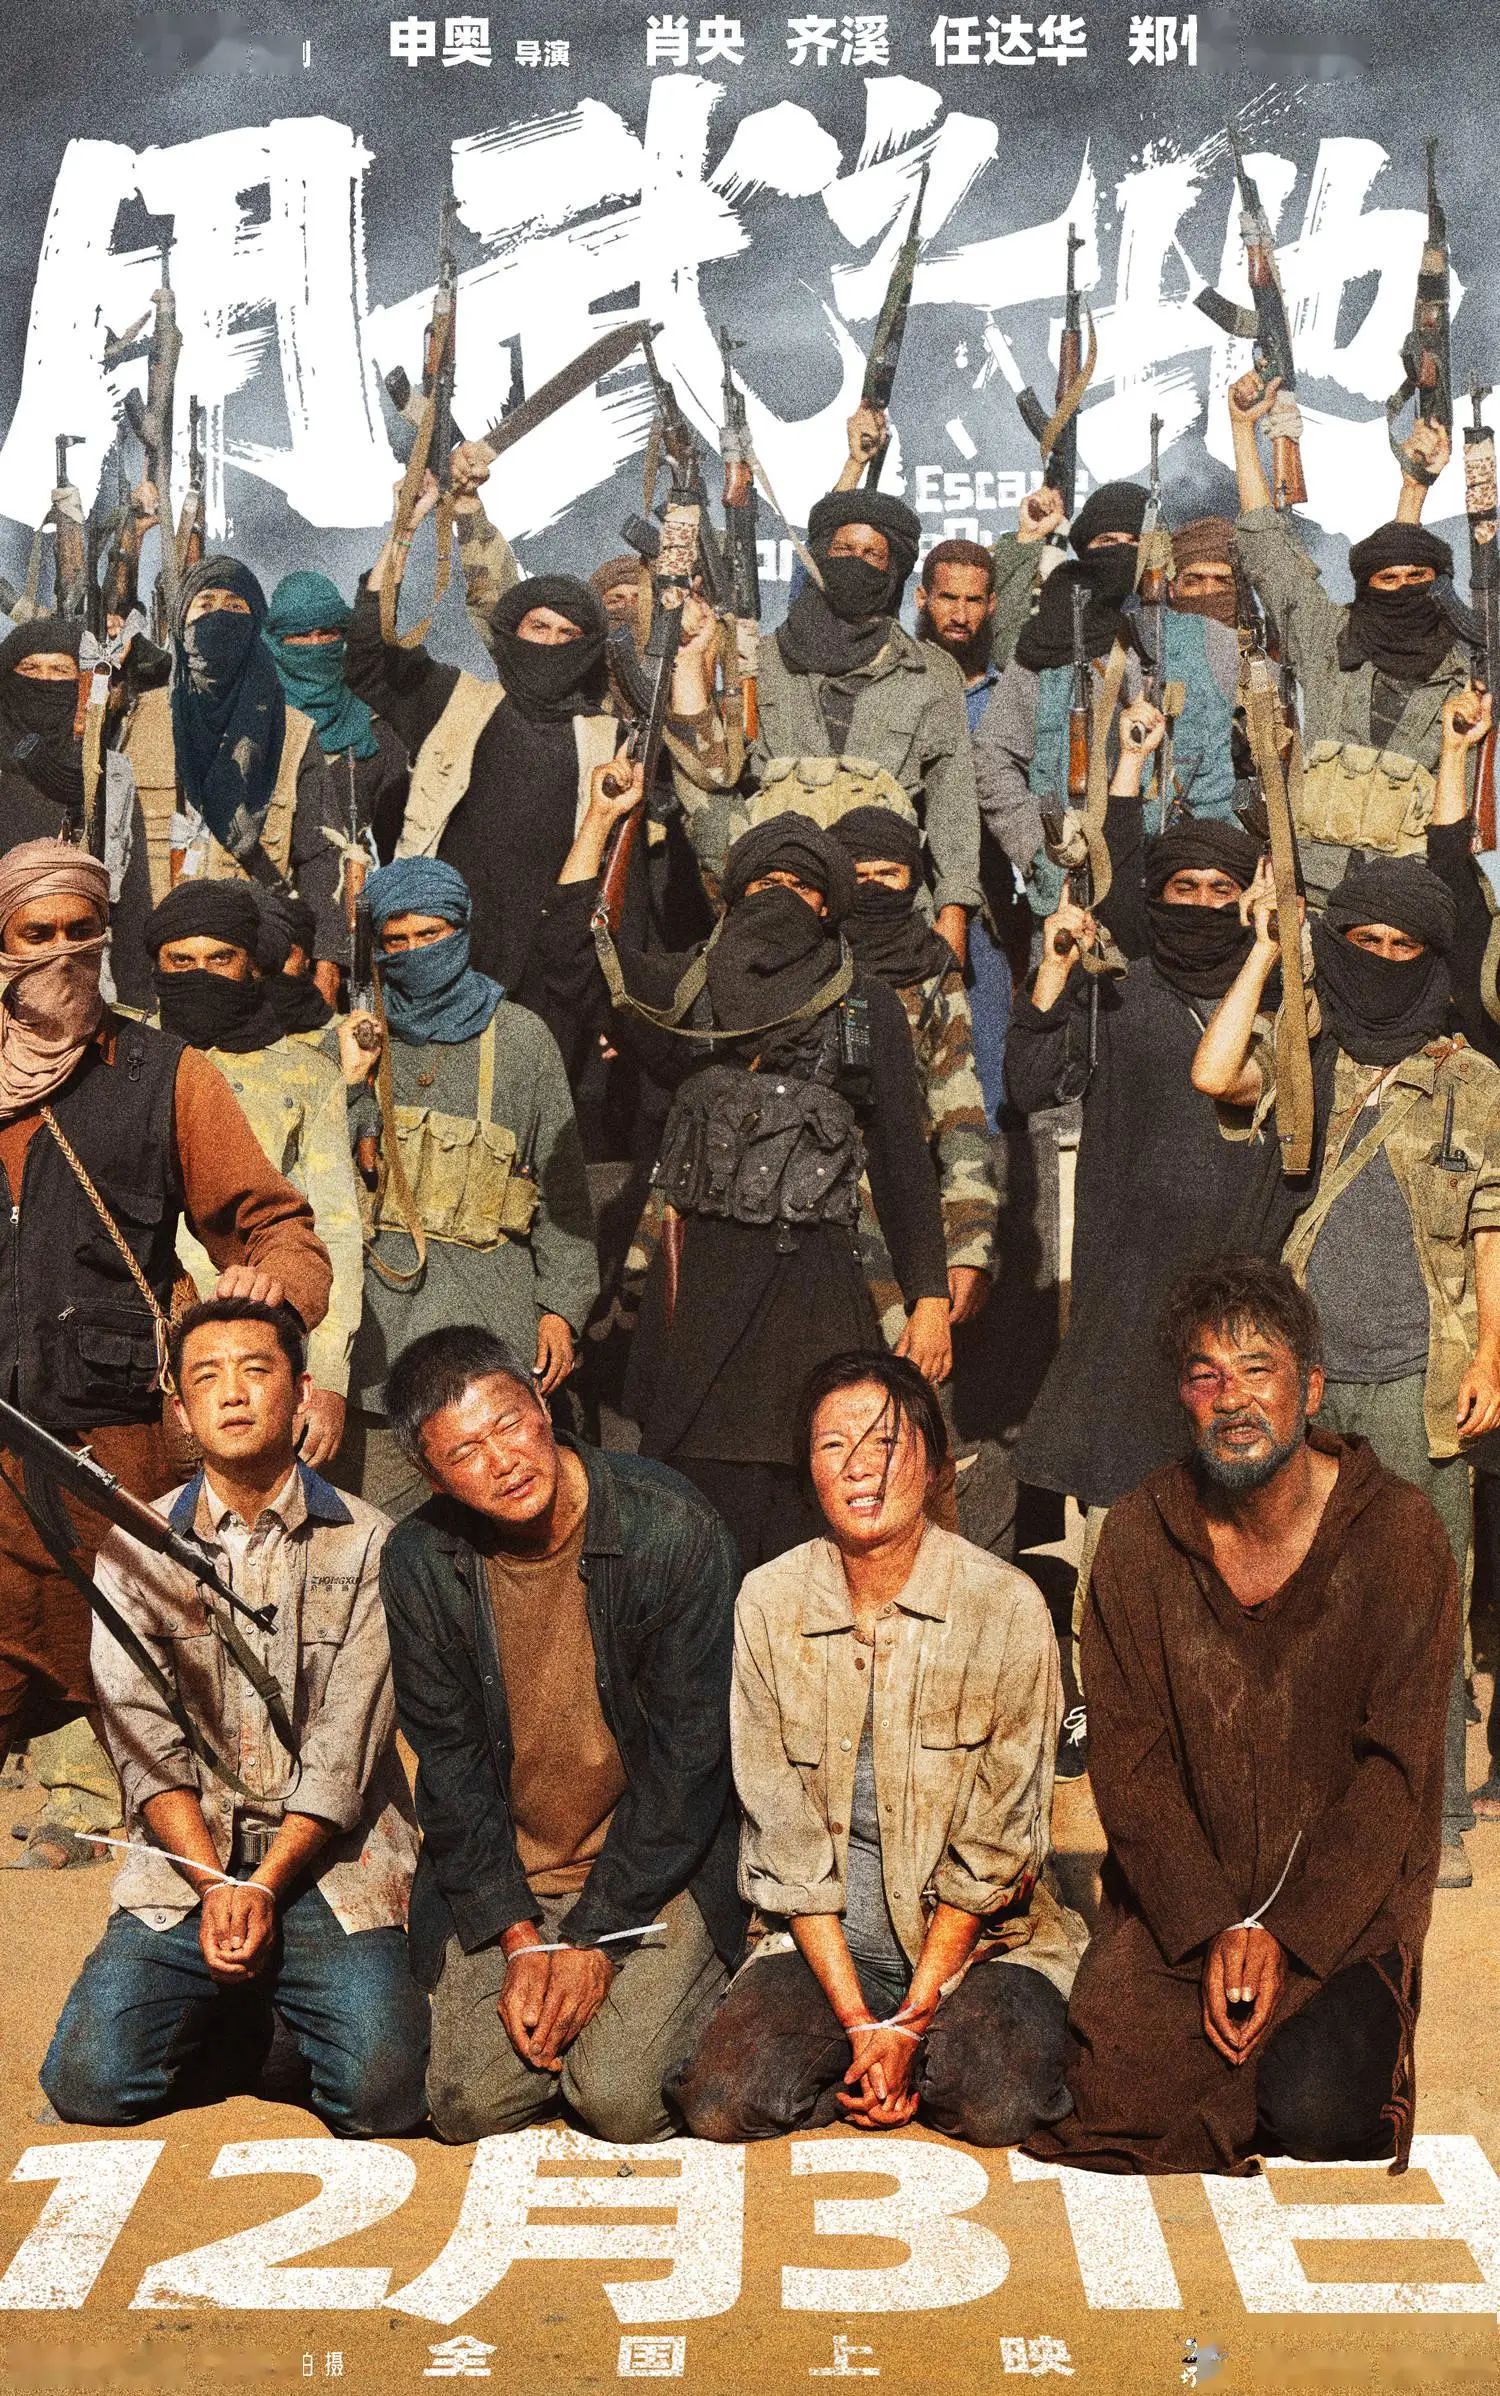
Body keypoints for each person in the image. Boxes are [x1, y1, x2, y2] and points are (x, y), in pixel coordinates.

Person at [1028, 1259, 1457, 2175]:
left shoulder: (1399, 1535)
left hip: (1342, 1910)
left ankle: (1341, 2032)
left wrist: (1288, 1936)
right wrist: (1213, 1923)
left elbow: (1396, 1776)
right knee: (1112, 2091)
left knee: (1316, 2107)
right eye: (1205, 1375)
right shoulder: (1140, 1535)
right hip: (1187, 1903)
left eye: (1258, 1369)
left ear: (1311, 1388)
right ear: (1182, 1400)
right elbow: (1131, 1765)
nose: (1232, 1399)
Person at [0, 842, 332, 1857]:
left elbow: (279, 1227)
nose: (62, 952)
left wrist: (268, 1288)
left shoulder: (164, 1075)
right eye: (37, 933)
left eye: (81, 931)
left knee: (137, 1667)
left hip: (108, 1448)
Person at [672, 1352, 1085, 2144]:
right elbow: (786, 1842)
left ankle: (920, 2054)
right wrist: (864, 2022)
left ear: (931, 1461)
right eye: (832, 1446)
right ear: (810, 1471)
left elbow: (996, 1848)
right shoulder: (769, 1601)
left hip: (980, 1946)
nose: (859, 1467)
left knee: (994, 2102)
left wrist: (912, 2017)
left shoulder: (1004, 1605)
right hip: (829, 1950)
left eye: (885, 1442)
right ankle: (878, 2060)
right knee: (724, 2100)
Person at [39, 1297, 426, 2136]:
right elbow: (145, 1744)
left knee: (384, 2097)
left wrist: (264, 1886)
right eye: (207, 1378)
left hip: (330, 1866)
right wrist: (218, 1886)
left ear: (303, 1393)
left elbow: (345, 1751)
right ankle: (244, 2012)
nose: (234, 1393)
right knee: (89, 2084)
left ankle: (273, 2022)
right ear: (181, 1410)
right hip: (192, 1865)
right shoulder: (133, 1549)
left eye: (257, 1370)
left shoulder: (371, 1544)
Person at [1191, 850, 1500, 1887]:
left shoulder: (1470, 1082)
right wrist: (1267, 953)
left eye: (1405, 946)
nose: (1383, 960)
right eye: (1363, 941)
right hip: (1308, 1380)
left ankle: (1432, 1815)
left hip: (1422, 1376)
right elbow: (1213, 1072)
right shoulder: (1308, 1055)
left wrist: (1494, 1353)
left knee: (1423, 1597)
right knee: (1307, 1593)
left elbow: (1494, 1227)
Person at [543, 792, 952, 1568]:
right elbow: (570, 961)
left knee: (819, 1541)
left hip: (820, 1307)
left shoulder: (866, 1006)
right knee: (696, 1544)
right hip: (698, 1314)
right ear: (733, 898)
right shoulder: (682, 995)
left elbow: (903, 1158)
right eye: (766, 884)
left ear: (829, 907)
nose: (782, 900)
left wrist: (929, 1298)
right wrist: (597, 820)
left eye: (801, 887)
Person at [377, 1324, 744, 2144]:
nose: (503, 1461)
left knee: (618, 2099)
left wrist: (593, 1939)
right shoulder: (419, 1560)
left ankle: (703, 1981)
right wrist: (517, 1940)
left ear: (543, 1406)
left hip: (658, 1868)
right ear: (432, 1477)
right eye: (465, 1451)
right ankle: (592, 1997)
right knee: (467, 2103)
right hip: (517, 1878)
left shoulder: (669, 1527)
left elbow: (690, 1761)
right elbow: (450, 1767)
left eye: (509, 1423)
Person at [345, 468, 709, 1009]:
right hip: (448, 957)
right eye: (538, 628)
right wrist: (405, 527)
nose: (552, 643)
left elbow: (634, 877)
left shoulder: (612, 738)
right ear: (512, 633)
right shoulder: (456, 703)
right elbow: (368, 655)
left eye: (568, 634)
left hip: (560, 967)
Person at [338, 856, 597, 1521]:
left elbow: (564, 1195)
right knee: (382, 1530)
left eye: (429, 935)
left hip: (490, 1323)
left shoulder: (522, 1039)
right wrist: (350, 1085)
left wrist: (560, 1309)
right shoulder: (352, 1040)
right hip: (378, 1348)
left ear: (461, 931)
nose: (413, 953)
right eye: (394, 941)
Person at [672, 484, 982, 964]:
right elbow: (715, 775)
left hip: (889, 911)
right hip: (777, 906)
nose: (856, 562)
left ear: (893, 570)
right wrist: (739, 870)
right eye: (843, 549)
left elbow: (953, 800)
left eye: (872, 554)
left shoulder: (931, 671)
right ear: (819, 557)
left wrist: (954, 909)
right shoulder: (758, 662)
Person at [143, 881, 364, 1472]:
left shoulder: (305, 1075)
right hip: (131, 1351)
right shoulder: (125, 1057)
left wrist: (329, 1376)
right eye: (180, 961)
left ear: (250, 964)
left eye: (220, 958)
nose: (200, 975)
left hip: (247, 1351)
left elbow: (335, 1231)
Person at [1230, 383, 1475, 898]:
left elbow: (1399, 564)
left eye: (1419, 578)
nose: (1403, 589)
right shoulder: (1330, 641)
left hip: (1412, 901)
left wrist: (1415, 490)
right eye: (1387, 580)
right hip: (1318, 891)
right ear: (1366, 588)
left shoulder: (1467, 672)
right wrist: (1242, 430)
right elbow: (1268, 553)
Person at [974, 481, 1243, 915]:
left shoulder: (1212, 643)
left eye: (1136, 542)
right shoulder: (1048, 642)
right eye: (1107, 541)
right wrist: (1040, 850)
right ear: (1085, 550)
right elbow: (992, 755)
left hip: (1185, 894)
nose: (1122, 552)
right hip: (1074, 890)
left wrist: (1226, 862)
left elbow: (1259, 757)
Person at [120, 557, 343, 959]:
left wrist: (327, 962)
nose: (219, 616)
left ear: (255, 625)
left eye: (235, 606)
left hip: (253, 964)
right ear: (180, 622)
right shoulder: (134, 720)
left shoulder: (294, 733)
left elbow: (321, 857)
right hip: (149, 962)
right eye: (205, 605)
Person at [915, 536, 1023, 1117]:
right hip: (905, 894)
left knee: (988, 1063)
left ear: (992, 605)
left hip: (989, 908)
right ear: (922, 598)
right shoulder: (898, 686)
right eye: (947, 598)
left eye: (973, 600)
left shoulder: (1008, 699)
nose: (959, 614)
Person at [262, 570, 412, 978]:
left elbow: (397, 844)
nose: (316, 645)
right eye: (300, 635)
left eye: (327, 633)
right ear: (275, 641)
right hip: (268, 921)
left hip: (353, 919)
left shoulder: (375, 732)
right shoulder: (254, 727)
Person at [0, 616, 153, 1008]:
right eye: (30, 668)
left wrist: (137, 1006)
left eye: (60, 670)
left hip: (86, 992)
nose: (45, 681)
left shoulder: (110, 774)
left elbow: (132, 902)